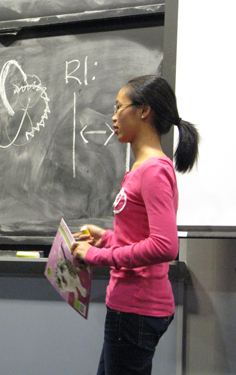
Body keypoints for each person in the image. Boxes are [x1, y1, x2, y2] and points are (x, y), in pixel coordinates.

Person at [71, 75, 199, 375]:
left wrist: (96, 256)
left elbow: (164, 246)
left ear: (144, 111)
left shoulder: (153, 170)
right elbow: (138, 237)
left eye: (119, 107)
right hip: (129, 306)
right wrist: (106, 238)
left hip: (137, 309)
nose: (113, 117)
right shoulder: (141, 168)